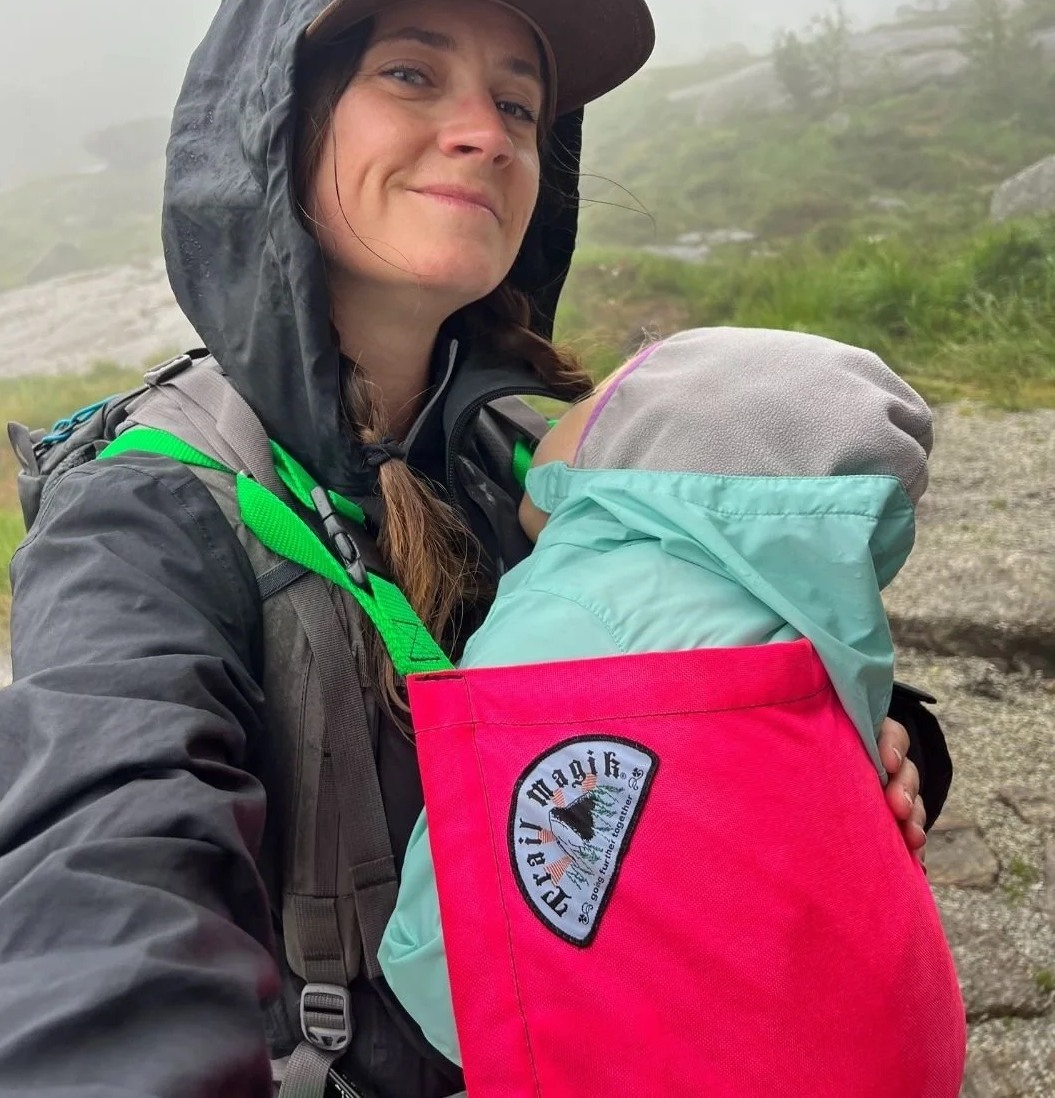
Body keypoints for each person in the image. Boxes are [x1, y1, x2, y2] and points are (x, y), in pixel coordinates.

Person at [0, 0, 947, 1098]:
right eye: (410, 72)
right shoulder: (151, 513)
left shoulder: (536, 452)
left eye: (521, 105)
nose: (484, 133)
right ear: (275, 126)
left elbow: (758, 681)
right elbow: (95, 862)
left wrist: (886, 755)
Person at [379, 327, 966, 1097]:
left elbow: (451, 962)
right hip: (905, 1042)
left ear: (633, 438)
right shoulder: (818, 629)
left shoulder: (570, 615)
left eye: (588, 402)